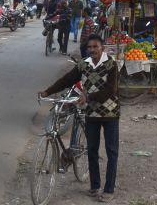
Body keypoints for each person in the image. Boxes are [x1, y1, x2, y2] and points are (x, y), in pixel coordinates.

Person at [40, 34, 119, 203]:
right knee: (91, 150)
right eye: (89, 47)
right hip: (91, 113)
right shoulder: (83, 64)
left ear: (102, 48)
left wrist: (88, 97)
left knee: (112, 152)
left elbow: (110, 90)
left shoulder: (111, 64)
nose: (92, 50)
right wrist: (48, 91)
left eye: (95, 47)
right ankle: (95, 185)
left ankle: (109, 189)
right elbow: (67, 80)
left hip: (110, 114)